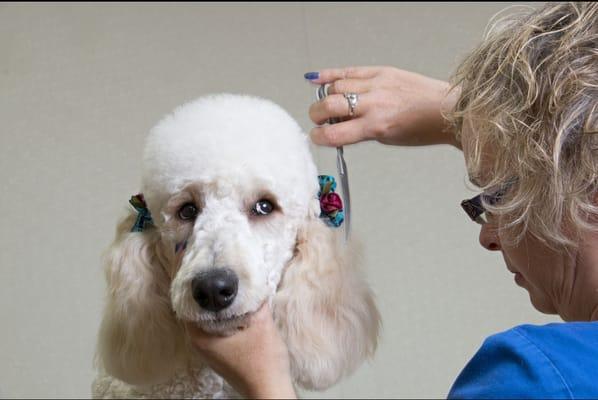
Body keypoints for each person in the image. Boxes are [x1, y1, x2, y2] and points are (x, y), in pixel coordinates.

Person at [187, 2, 598, 398]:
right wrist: (466, 113)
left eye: (494, 196)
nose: (487, 236)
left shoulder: (540, 379)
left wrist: (265, 384)